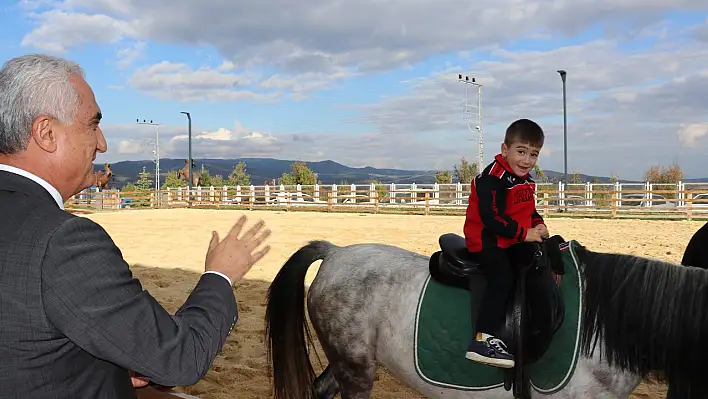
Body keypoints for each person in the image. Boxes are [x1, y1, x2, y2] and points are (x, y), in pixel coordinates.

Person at [0, 53, 272, 398]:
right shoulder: (62, 241)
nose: (102, 143)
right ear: (46, 133)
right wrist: (220, 276)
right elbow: (178, 358)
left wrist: (101, 367)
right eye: (92, 124)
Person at [462, 118, 549, 368]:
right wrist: (524, 234)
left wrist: (538, 224)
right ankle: (483, 338)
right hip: (487, 242)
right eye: (521, 152)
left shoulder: (525, 179)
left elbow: (529, 211)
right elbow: (492, 218)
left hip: (512, 238)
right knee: (502, 277)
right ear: (504, 150)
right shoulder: (493, 177)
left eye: (533, 154)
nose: (527, 160)